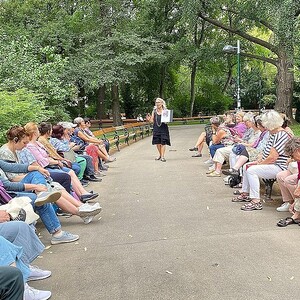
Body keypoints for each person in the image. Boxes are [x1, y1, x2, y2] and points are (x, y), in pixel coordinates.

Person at [233, 110, 291, 211]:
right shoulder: (274, 133)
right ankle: (245, 193)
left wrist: (260, 163)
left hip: (280, 166)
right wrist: (260, 158)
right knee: (246, 166)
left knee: (252, 170)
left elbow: (273, 157)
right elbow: (267, 152)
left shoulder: (280, 135)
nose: (264, 127)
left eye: (265, 124)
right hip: (273, 164)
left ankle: (256, 202)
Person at [146, 97, 171, 162]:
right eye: (156, 102)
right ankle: (160, 155)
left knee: (163, 142)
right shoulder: (154, 111)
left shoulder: (165, 111)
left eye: (158, 102)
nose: (157, 104)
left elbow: (167, 121)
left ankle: (162, 157)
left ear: (162, 103)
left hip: (163, 128)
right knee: (157, 143)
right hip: (156, 128)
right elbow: (152, 121)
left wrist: (167, 120)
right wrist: (149, 119)